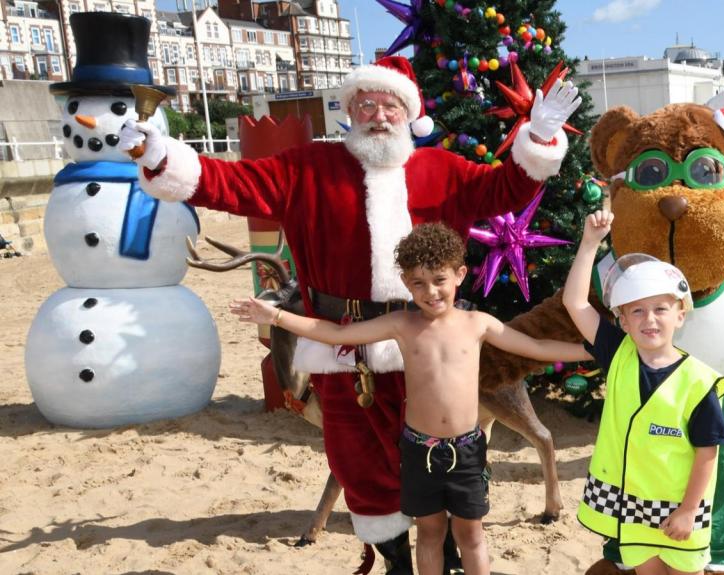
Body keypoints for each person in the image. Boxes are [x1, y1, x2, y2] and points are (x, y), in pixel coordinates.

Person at [116, 55, 581, 573]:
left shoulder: (442, 170)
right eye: (366, 104)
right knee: (358, 464)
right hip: (341, 348)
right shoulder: (307, 169)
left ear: (409, 113)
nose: (378, 116)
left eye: (390, 105)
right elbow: (231, 183)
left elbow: (507, 188)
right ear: (350, 111)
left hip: (422, 344)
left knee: (441, 462)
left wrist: (539, 140)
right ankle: (396, 560)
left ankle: (448, 555)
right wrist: (162, 156)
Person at [230, 223, 591, 575]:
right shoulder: (402, 325)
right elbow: (334, 333)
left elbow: (537, 347)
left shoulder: (478, 324)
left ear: (459, 275)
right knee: (429, 534)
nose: (431, 292)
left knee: (471, 537)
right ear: (405, 283)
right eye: (418, 283)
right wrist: (276, 316)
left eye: (439, 280)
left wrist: (595, 351)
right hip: (419, 453)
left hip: (467, 451)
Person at [562, 209, 724, 575]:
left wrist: (688, 510)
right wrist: (590, 243)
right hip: (635, 508)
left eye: (660, 309)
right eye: (637, 311)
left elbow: (708, 453)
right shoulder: (618, 353)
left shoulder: (698, 382)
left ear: (680, 315)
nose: (649, 319)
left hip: (682, 507)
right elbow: (575, 303)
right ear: (623, 321)